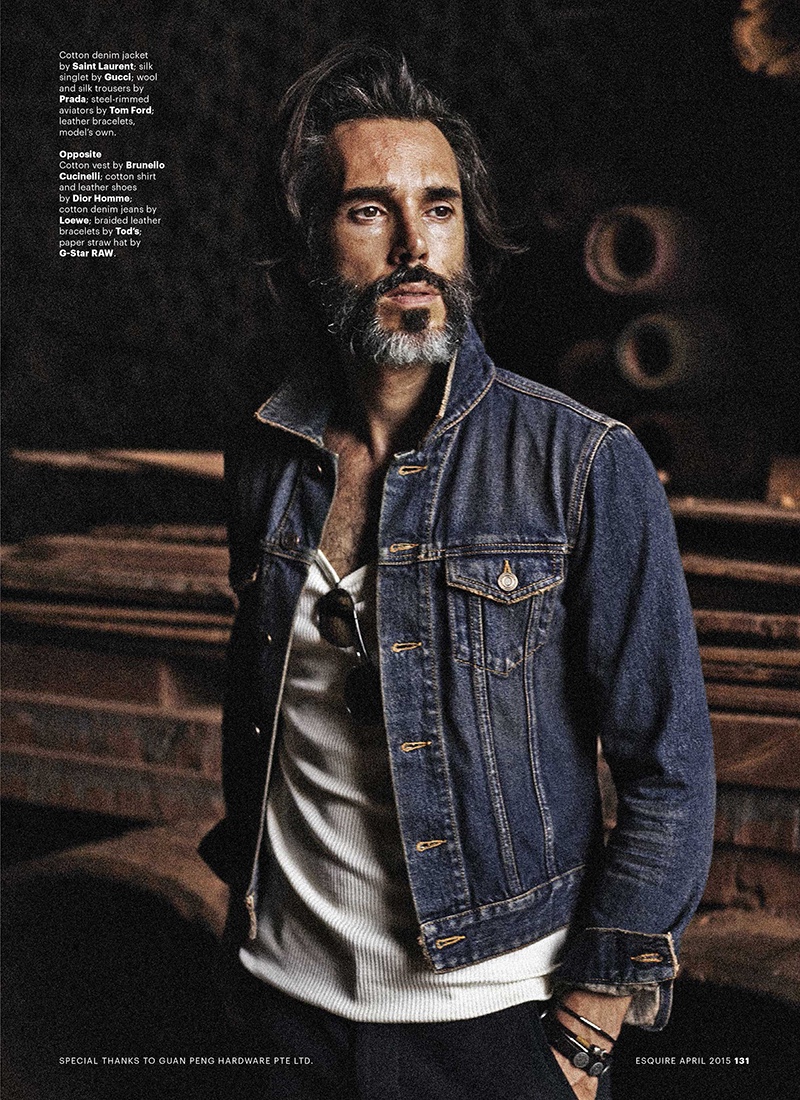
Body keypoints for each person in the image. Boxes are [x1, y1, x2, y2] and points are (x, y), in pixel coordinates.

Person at [199, 43, 716, 1100]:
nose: (413, 246)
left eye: (438, 208)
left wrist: (584, 1030)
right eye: (368, 211)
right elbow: (268, 718)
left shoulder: (581, 463)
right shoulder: (265, 450)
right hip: (279, 1008)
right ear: (307, 245)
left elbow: (669, 768)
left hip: (488, 1027)